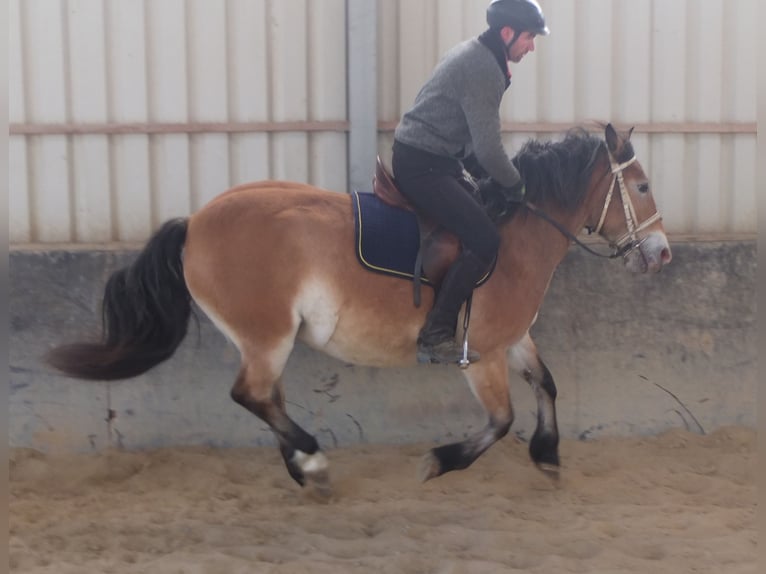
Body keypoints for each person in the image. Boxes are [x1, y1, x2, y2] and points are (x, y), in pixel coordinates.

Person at [392, 0, 549, 365]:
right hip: (423, 165)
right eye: (529, 37)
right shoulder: (483, 67)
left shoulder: (478, 53)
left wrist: (489, 177)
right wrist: (515, 186)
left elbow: (470, 143)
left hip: (440, 158)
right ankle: (436, 334)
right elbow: (489, 148)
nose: (532, 46)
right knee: (485, 239)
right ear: (507, 33)